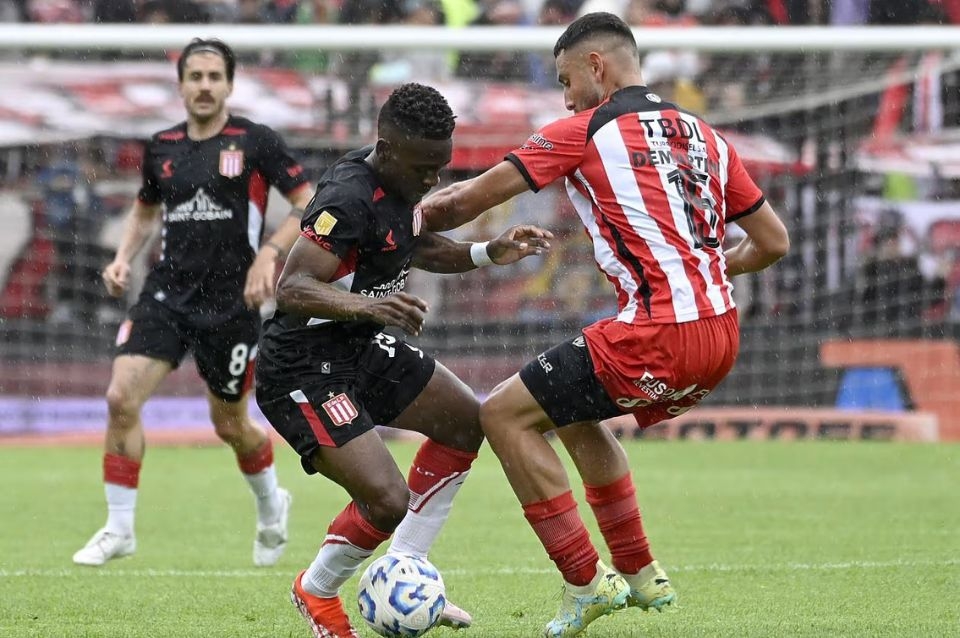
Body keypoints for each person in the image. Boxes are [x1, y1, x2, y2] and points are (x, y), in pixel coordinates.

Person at [420, 12, 790, 636]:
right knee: (568, 411)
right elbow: (774, 242)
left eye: (567, 80)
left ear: (596, 66)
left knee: (503, 415)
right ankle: (641, 572)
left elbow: (461, 202)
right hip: (721, 334)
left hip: (658, 332)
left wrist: (379, 219)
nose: (566, 98)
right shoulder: (706, 135)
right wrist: (701, 269)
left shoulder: (584, 130)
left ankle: (585, 582)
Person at [254, 82, 552, 638]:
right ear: (387, 149)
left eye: (440, 167)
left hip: (359, 345)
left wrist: (489, 252)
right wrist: (371, 306)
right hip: (303, 367)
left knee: (465, 422)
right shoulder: (345, 197)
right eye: (423, 168)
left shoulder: (400, 183)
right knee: (387, 501)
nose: (433, 180)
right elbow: (292, 287)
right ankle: (317, 590)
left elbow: (411, 244)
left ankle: (404, 570)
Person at [72, 38, 315, 568]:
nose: (204, 86)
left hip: (232, 302)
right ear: (181, 85)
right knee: (120, 398)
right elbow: (144, 211)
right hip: (166, 295)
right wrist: (121, 258)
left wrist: (268, 255)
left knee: (230, 425)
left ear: (229, 84)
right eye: (195, 77)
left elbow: (307, 204)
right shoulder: (161, 146)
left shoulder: (256, 141)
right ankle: (119, 529)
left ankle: (271, 503)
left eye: (213, 77)